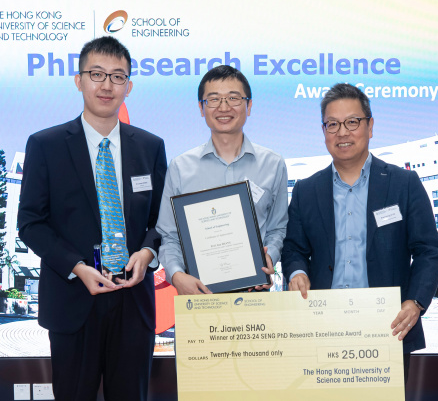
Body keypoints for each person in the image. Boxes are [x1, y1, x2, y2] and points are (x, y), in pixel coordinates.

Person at [17, 36, 166, 401]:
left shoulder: (150, 147)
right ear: (78, 80)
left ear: (128, 86)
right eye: (96, 74)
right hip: (73, 298)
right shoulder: (46, 145)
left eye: (117, 76)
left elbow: (162, 220)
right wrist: (77, 267)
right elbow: (31, 222)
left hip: (133, 302)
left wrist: (146, 255)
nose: (106, 85)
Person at [281, 82, 438, 382]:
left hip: (388, 330)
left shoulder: (404, 184)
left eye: (352, 122)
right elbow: (293, 249)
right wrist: (296, 273)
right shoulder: (306, 190)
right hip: (321, 330)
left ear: (370, 127)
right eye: (332, 124)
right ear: (324, 131)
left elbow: (428, 251)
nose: (342, 132)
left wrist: (416, 301)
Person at [156, 65, 288, 295]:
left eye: (234, 98)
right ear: (201, 107)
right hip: (197, 296)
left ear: (249, 105)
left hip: (254, 295)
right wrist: (177, 275)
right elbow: (168, 235)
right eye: (213, 99)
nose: (224, 107)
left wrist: (270, 255)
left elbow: (278, 228)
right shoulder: (180, 167)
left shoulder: (273, 164)